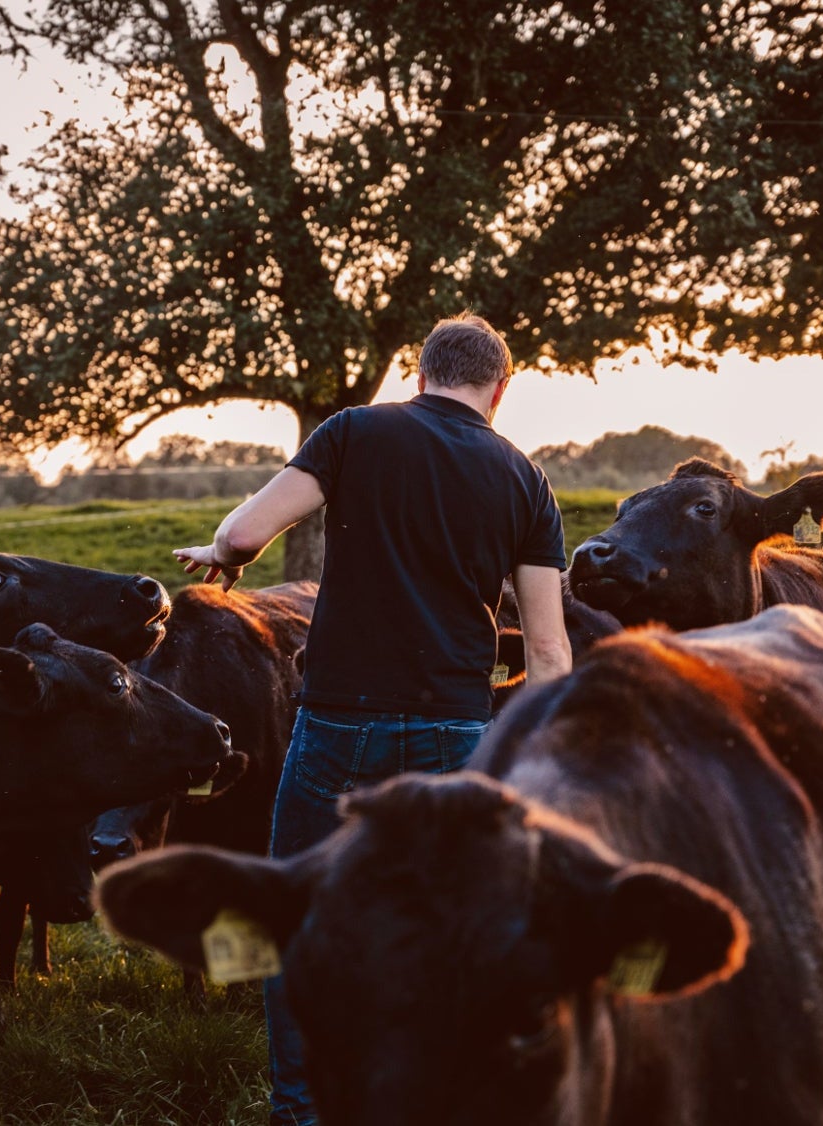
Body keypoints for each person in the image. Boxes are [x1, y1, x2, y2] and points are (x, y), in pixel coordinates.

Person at [173, 313, 573, 1126]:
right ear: (500, 389)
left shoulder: (356, 432)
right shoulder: (526, 480)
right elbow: (551, 650)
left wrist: (228, 556)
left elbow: (245, 529)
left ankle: (304, 1109)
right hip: (458, 734)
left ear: (419, 374)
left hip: (338, 729)